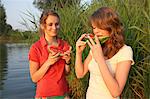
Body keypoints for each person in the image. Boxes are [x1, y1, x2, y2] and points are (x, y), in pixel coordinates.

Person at [75, 7, 134, 99]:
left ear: (111, 26)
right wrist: (78, 53)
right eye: (94, 27)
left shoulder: (125, 51)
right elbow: (80, 74)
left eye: (100, 26)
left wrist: (100, 59)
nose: (96, 31)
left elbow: (116, 92)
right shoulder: (96, 47)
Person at [28, 9, 71, 99]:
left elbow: (66, 73)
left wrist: (67, 62)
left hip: (63, 93)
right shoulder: (36, 48)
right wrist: (48, 62)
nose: (54, 28)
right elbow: (34, 78)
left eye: (57, 24)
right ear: (43, 26)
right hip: (44, 95)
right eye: (50, 24)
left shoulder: (65, 45)